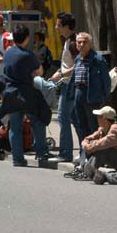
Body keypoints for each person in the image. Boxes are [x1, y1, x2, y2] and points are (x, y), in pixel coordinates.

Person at [0, 24, 54, 168]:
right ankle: (41, 152)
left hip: (10, 93)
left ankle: (17, 158)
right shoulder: (28, 55)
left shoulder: (8, 53)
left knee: (15, 127)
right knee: (38, 120)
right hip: (26, 93)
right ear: (26, 38)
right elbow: (40, 71)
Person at [72, 32, 110, 160]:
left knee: (93, 126)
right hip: (79, 93)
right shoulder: (77, 58)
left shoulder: (97, 59)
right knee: (81, 125)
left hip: (92, 96)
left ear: (90, 43)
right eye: (79, 42)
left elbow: (106, 80)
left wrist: (104, 98)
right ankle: (84, 153)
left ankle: (96, 156)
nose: (81, 44)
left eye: (84, 42)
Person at [48, 12, 81, 163]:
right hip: (69, 83)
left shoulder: (73, 43)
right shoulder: (68, 41)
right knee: (75, 118)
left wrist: (61, 74)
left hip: (70, 84)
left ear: (67, 26)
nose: (56, 27)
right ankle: (84, 152)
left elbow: (77, 66)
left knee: (63, 117)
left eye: (59, 25)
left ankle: (66, 153)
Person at [75, 106, 117, 183]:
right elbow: (88, 138)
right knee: (99, 148)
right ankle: (85, 171)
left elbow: (101, 144)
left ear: (105, 119)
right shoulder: (102, 129)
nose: (97, 119)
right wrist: (86, 143)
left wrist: (87, 146)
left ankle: (88, 173)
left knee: (103, 150)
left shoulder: (115, 130)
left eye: (99, 117)